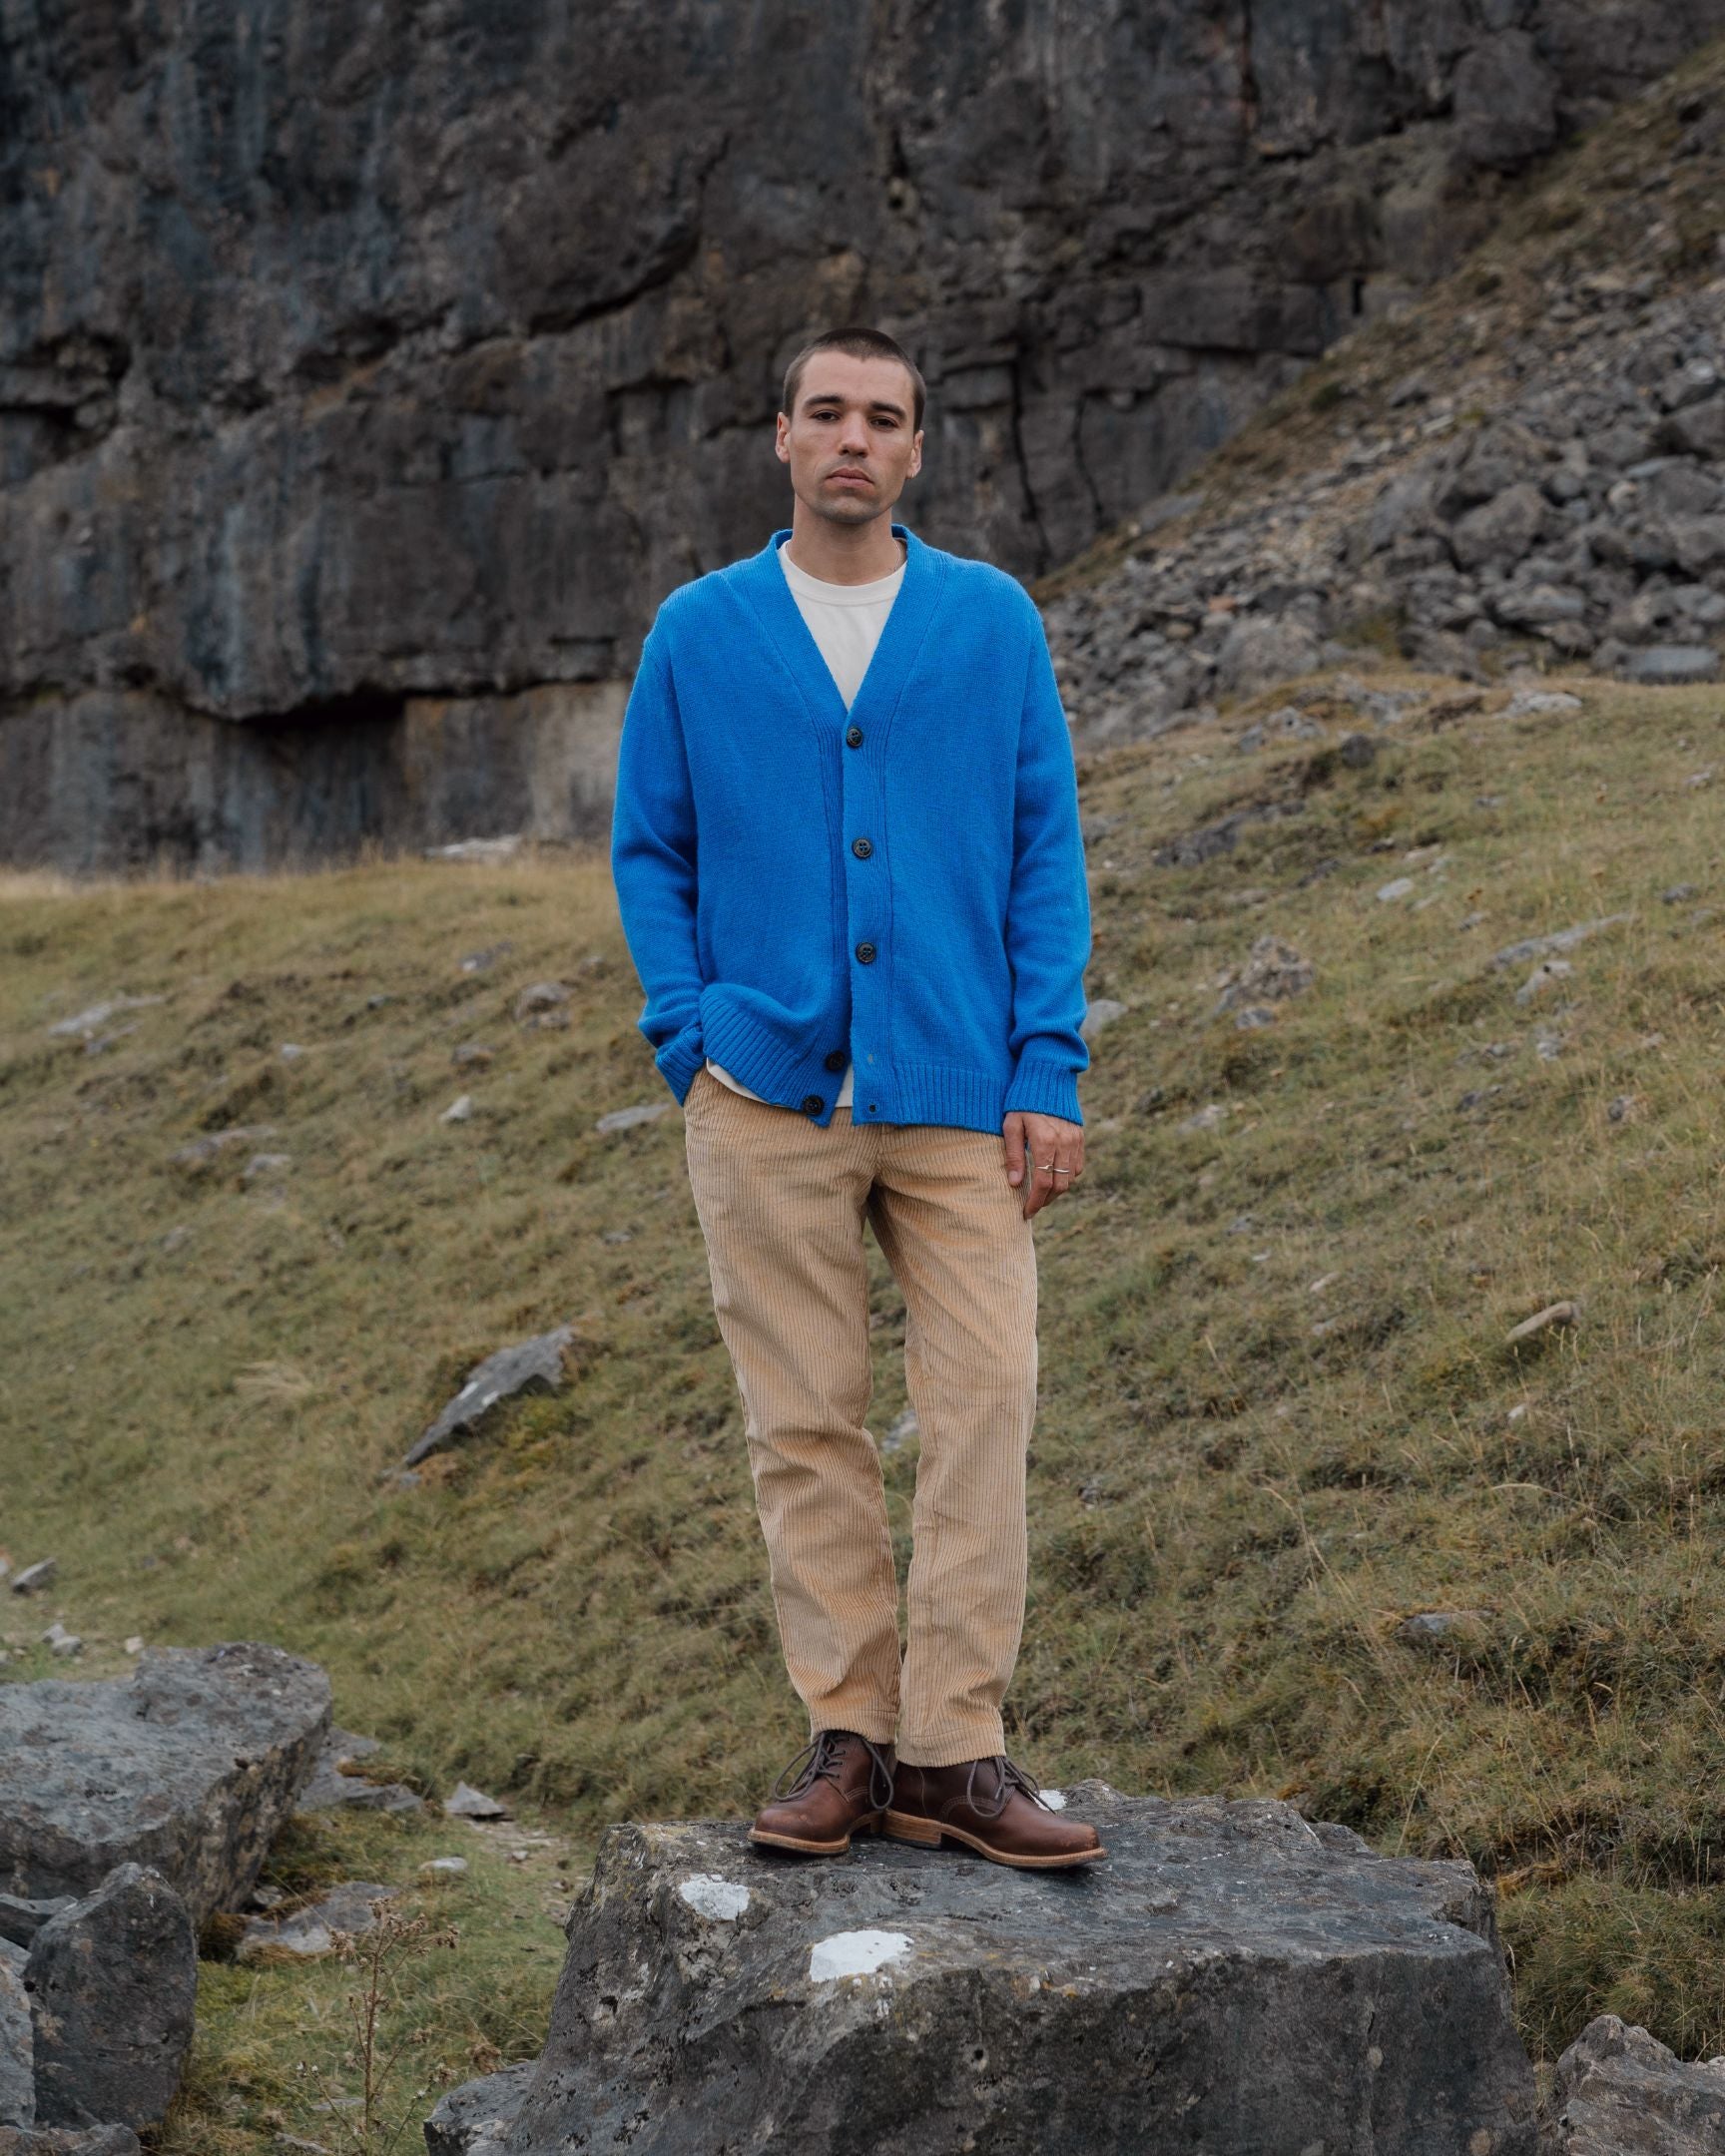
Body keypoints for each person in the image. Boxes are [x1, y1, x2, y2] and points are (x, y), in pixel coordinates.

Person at [610, 324, 1105, 1870]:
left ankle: (959, 1754)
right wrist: (690, 1034)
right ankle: (850, 1737)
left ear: (913, 450)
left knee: (988, 1403)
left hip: (963, 1089)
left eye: (880, 418)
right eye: (825, 412)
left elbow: (1044, 848)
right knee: (804, 1420)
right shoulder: (699, 630)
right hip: (762, 1088)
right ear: (780, 436)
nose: (851, 439)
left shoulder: (989, 620)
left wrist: (1048, 1065)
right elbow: (652, 847)